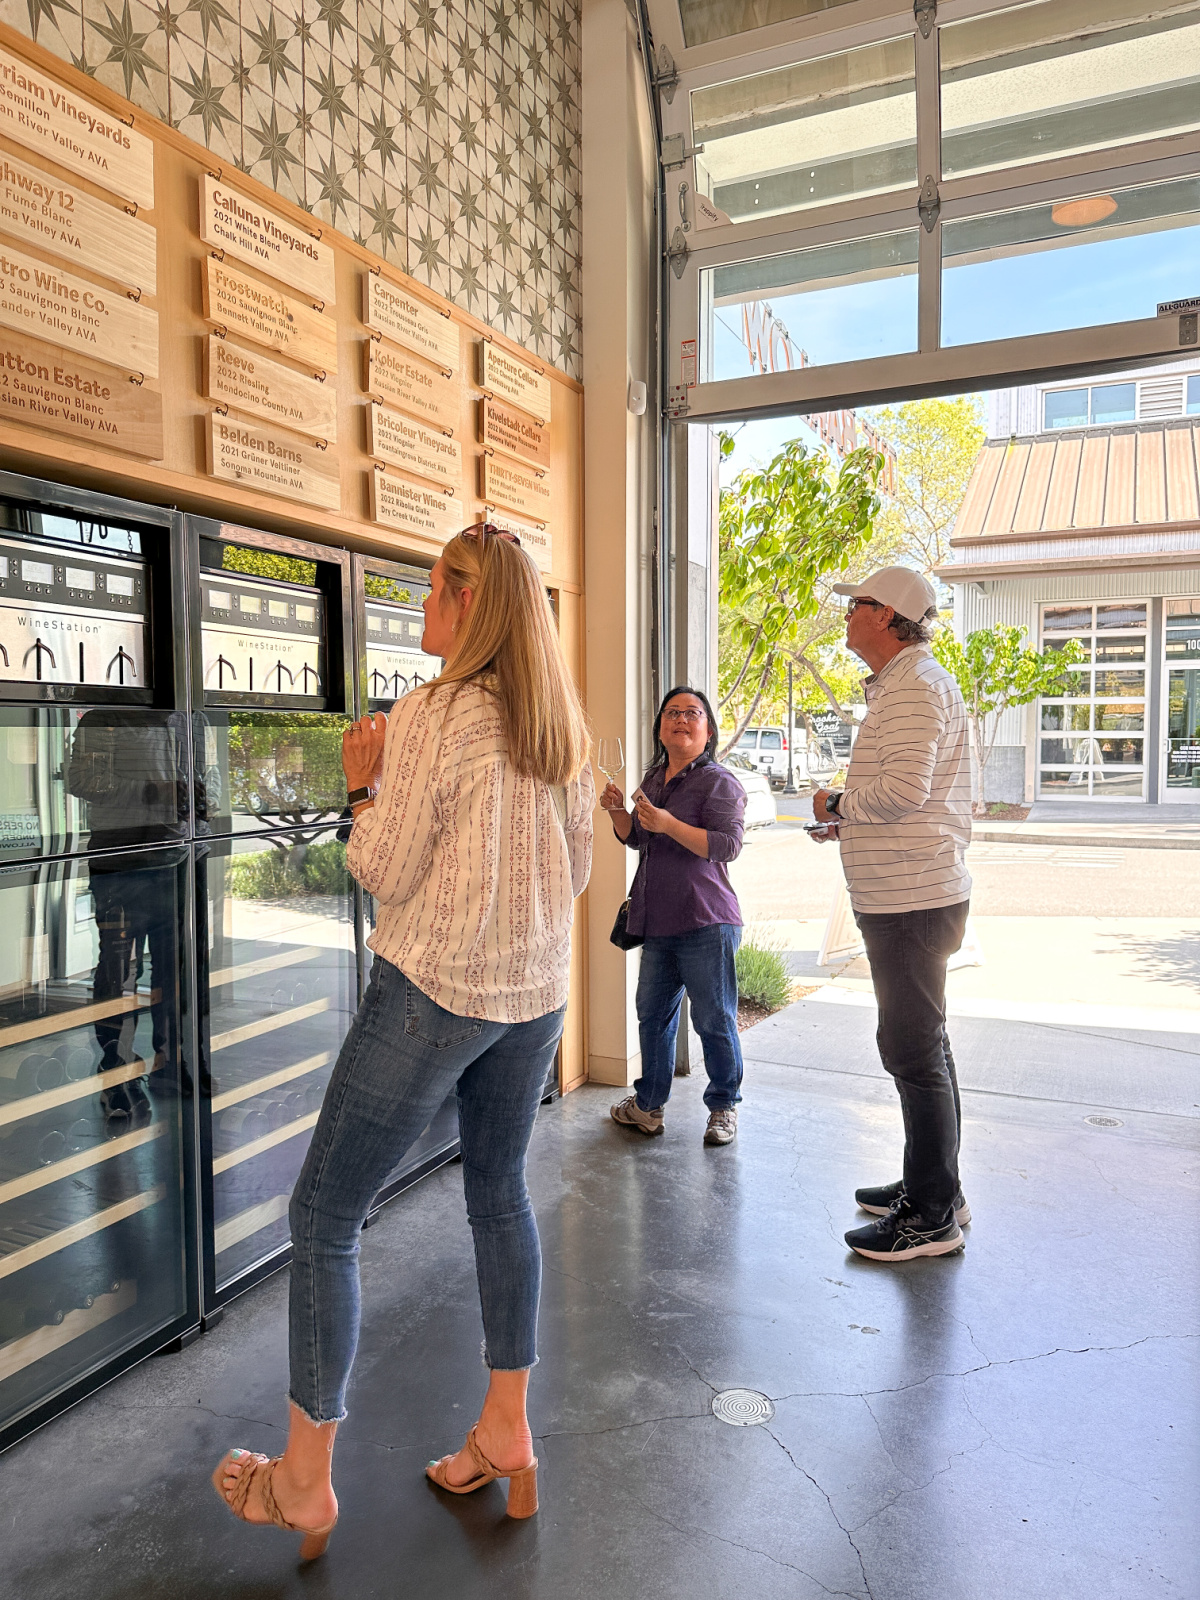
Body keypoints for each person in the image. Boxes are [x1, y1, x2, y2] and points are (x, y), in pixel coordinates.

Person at [212, 524, 594, 1555]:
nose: (422, 605)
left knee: (325, 1212)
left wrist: (362, 781)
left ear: (470, 604)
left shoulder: (431, 713)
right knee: (499, 1193)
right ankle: (507, 1430)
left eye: (433, 589)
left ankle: (303, 1482)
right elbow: (578, 871)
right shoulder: (559, 721)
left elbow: (379, 866)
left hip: (433, 991)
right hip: (534, 997)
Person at [809, 566, 972, 1264]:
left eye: (857, 605)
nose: (847, 614)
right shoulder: (909, 683)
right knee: (925, 1046)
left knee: (912, 1050)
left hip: (910, 898)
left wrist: (837, 804)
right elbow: (912, 795)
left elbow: (903, 790)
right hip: (911, 892)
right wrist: (849, 822)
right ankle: (937, 1188)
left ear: (886, 615)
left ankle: (930, 1218)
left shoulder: (913, 686)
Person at [600, 686, 746, 1146]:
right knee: (652, 1017)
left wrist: (668, 823)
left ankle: (723, 1108)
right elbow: (638, 839)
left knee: (714, 1020)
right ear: (660, 728)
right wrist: (617, 812)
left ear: (708, 730)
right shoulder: (654, 779)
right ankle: (648, 1106)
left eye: (692, 713)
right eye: (672, 713)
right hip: (658, 922)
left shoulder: (719, 782)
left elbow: (727, 846)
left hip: (707, 920)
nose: (681, 719)